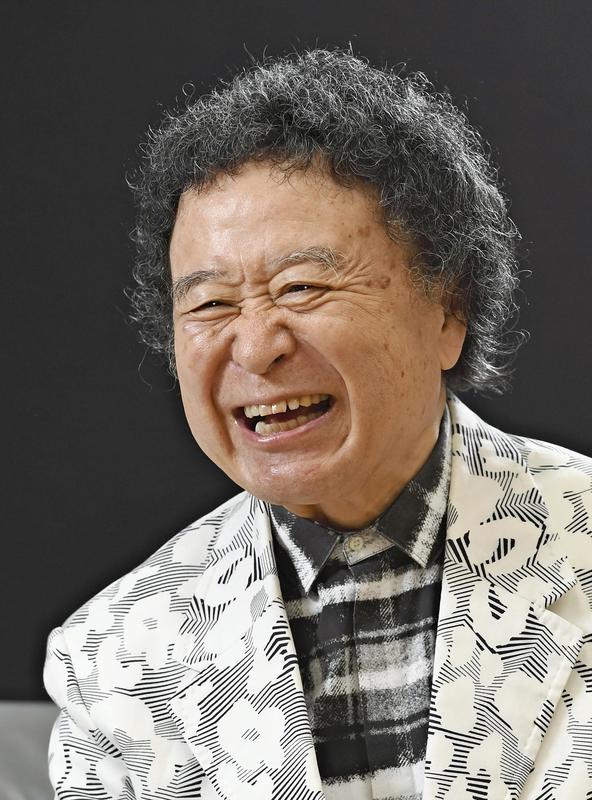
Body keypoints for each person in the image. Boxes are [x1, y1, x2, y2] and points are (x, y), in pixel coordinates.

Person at [43, 49, 592, 800]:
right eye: (210, 304)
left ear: (449, 311)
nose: (255, 346)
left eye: (302, 287)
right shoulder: (112, 659)